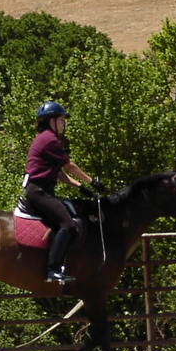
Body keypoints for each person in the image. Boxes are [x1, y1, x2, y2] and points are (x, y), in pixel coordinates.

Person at [19, 101, 106, 283]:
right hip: (39, 191)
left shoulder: (44, 138)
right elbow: (69, 166)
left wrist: (80, 187)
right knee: (68, 225)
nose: (64, 123)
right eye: (61, 119)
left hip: (42, 190)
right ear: (51, 121)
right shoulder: (50, 140)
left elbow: (59, 173)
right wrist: (92, 182)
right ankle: (52, 269)